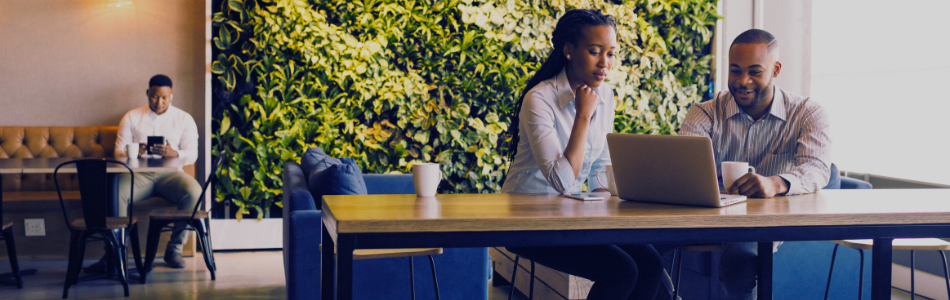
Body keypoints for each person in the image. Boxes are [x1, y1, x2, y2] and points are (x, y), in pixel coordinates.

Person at [501, 9, 663, 300]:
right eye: (595, 51)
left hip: (571, 216)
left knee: (651, 263)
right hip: (527, 219)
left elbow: (600, 166)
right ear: (568, 50)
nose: (605, 63)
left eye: (611, 54)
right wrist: (583, 116)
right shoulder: (539, 99)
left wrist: (605, 211)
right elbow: (562, 181)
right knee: (621, 271)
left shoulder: (607, 95)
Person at [658, 29, 831, 300]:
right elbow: (684, 166)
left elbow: (818, 168)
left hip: (765, 220)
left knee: (740, 259)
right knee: (638, 247)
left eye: (754, 72)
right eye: (735, 71)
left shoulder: (808, 113)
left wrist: (775, 182)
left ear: (775, 69)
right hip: (707, 214)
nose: (743, 81)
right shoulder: (704, 112)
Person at [85, 74, 202, 273]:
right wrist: (133, 151)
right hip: (138, 176)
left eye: (164, 97)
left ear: (171, 96)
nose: (159, 102)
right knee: (114, 193)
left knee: (195, 193)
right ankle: (114, 252)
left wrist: (175, 153)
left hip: (171, 174)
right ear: (148, 93)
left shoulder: (184, 119)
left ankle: (174, 250)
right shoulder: (131, 117)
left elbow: (192, 155)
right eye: (155, 97)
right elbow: (118, 151)